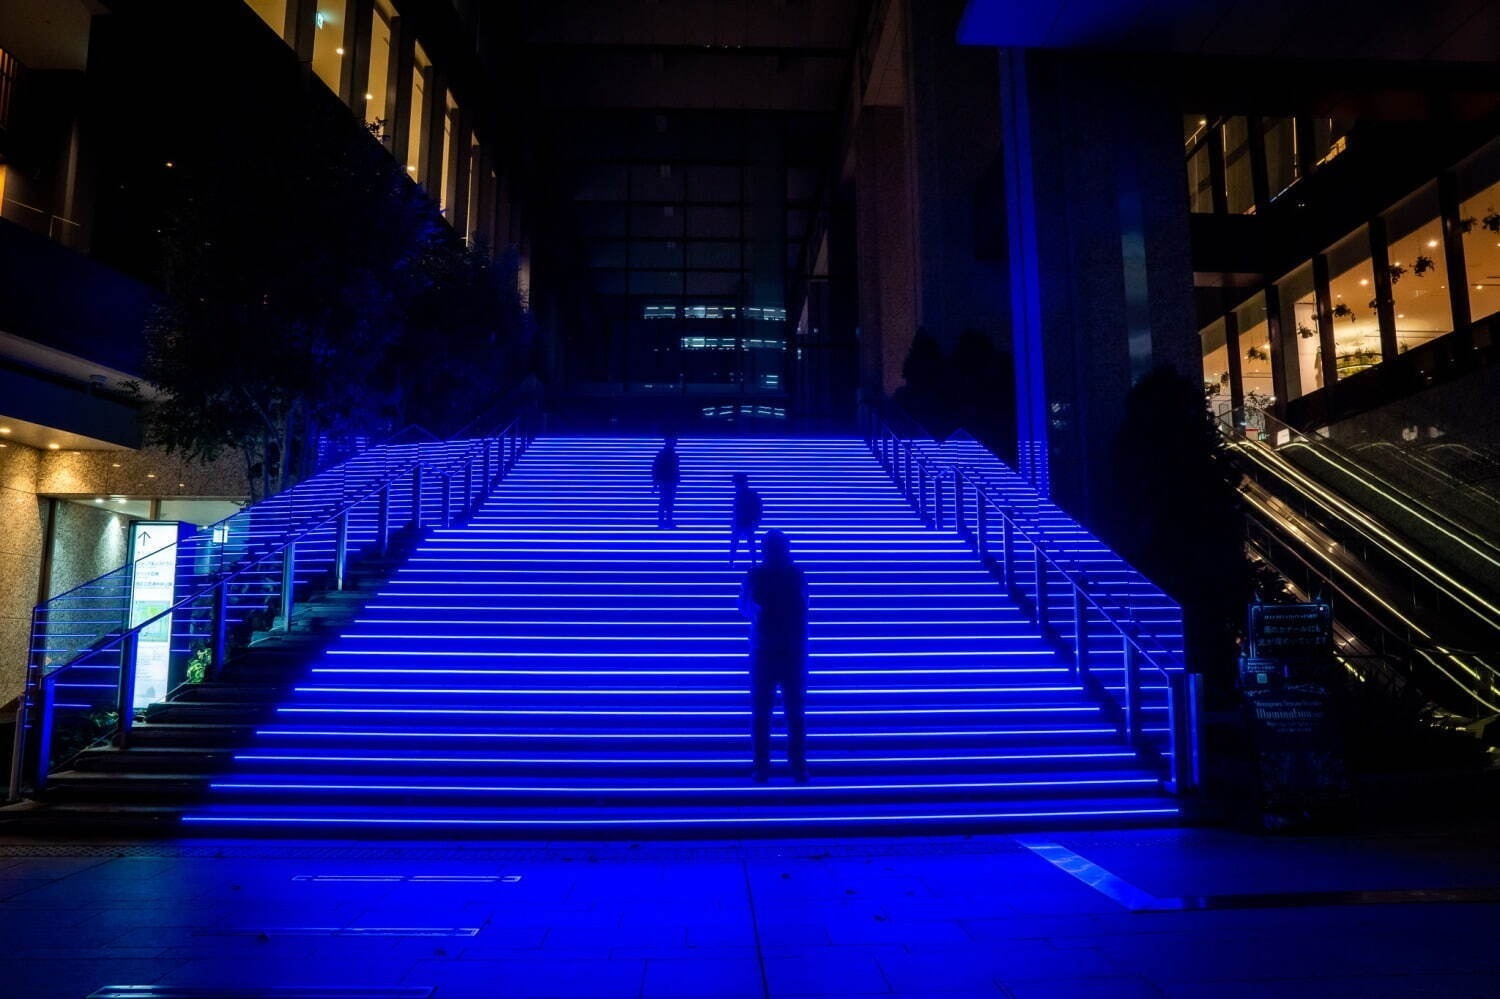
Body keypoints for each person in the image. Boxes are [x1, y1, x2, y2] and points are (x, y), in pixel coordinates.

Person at [738, 529, 810, 783]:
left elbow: (743, 606)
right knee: (793, 712)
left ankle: (764, 766)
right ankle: (796, 766)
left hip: (766, 649)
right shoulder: (794, 574)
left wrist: (757, 611)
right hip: (788, 649)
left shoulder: (758, 574)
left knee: (764, 712)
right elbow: (805, 606)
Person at [729, 473, 763, 566]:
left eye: (736, 483)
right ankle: (753, 562)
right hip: (746, 522)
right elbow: (759, 508)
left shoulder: (741, 494)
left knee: (737, 542)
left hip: (744, 522)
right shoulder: (749, 494)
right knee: (748, 542)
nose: (735, 485)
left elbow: (758, 508)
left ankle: (732, 562)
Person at [651, 435, 680, 528]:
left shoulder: (671, 454)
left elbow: (655, 468)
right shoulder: (664, 454)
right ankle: (663, 521)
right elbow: (656, 468)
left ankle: (666, 521)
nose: (676, 442)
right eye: (674, 440)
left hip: (669, 480)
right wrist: (655, 481)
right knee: (665, 501)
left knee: (668, 501)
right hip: (666, 481)